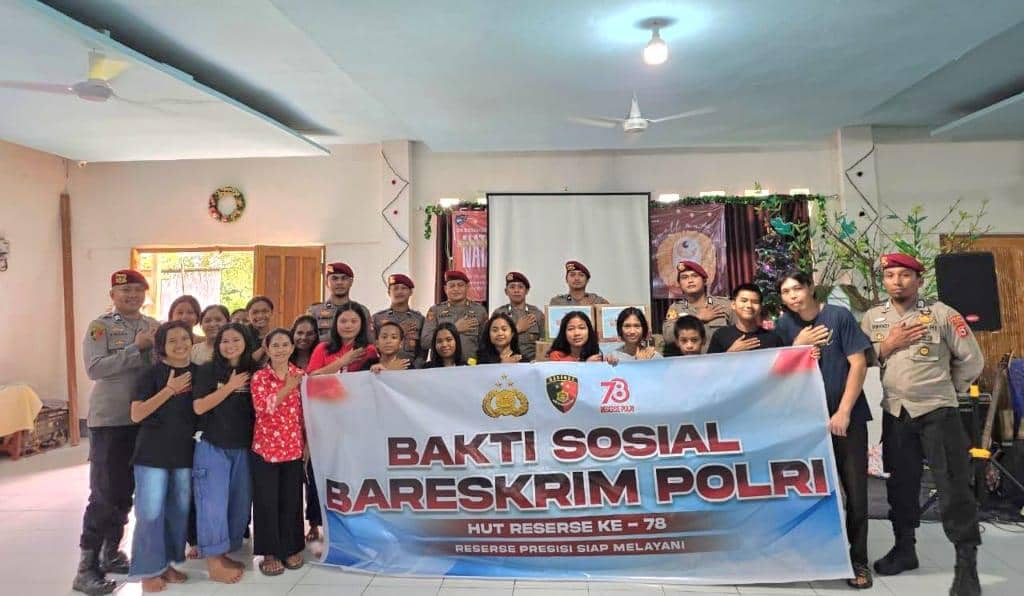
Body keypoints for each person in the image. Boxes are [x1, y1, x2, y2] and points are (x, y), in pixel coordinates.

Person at [860, 253, 984, 595]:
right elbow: (861, 358)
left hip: (938, 413)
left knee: (954, 488)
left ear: (919, 280)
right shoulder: (873, 318)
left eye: (904, 275)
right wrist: (887, 345)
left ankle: (966, 565)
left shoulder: (942, 314)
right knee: (901, 485)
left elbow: (972, 360)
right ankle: (905, 548)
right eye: (890, 275)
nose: (896, 282)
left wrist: (948, 390)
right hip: (896, 413)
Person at [775, 271, 873, 589]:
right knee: (811, 492)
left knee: (855, 492)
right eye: (785, 292)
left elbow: (858, 363)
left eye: (797, 288)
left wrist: (843, 411)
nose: (792, 296)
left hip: (846, 421)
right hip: (806, 423)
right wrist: (797, 346)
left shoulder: (838, 316)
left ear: (810, 288)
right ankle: (819, 557)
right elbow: (778, 372)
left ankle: (858, 560)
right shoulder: (784, 325)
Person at [74, 269, 159, 596]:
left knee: (125, 491)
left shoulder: (153, 326)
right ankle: (86, 568)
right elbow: (95, 368)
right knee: (104, 493)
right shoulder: (101, 327)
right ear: (113, 295)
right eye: (125, 291)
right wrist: (135, 349)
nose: (132, 296)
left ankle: (111, 552)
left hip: (143, 419)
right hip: (110, 420)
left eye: (138, 290)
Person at [127, 321, 196, 592]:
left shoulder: (199, 373)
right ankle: (148, 570)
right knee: (150, 512)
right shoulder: (150, 374)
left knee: (177, 512)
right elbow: (137, 414)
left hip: (185, 454)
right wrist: (169, 390)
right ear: (162, 347)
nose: (180, 344)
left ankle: (165, 564)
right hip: (152, 455)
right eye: (172, 340)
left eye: (184, 338)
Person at [191, 323, 258, 584]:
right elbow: (199, 407)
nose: (230, 345)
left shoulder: (255, 371)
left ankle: (223, 552)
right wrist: (229, 386)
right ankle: (213, 562)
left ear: (246, 343)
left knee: (239, 505)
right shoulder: (208, 370)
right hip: (212, 445)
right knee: (212, 504)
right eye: (225, 341)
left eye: (236, 340)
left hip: (244, 448)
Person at [250, 329, 306, 576]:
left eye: (285, 344)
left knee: (291, 501)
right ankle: (270, 552)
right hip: (266, 450)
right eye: (275, 345)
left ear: (292, 348)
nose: (281, 349)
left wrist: (307, 444)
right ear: (267, 348)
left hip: (293, 448)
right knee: (266, 502)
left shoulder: (301, 375)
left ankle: (291, 548)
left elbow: (306, 413)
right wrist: (288, 387)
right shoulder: (260, 377)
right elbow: (263, 407)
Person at [286, 314, 321, 542]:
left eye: (309, 333)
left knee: (313, 477)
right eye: (299, 332)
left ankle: (314, 524)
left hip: (316, 423)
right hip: (288, 426)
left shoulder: (322, 358)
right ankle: (291, 526)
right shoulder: (283, 359)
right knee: (292, 478)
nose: (304, 337)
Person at [662, 260, 733, 350]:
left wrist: (731, 351)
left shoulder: (724, 305)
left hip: (722, 357)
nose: (690, 281)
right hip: (690, 358)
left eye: (695, 276)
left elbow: (740, 330)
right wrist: (696, 318)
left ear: (704, 280)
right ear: (679, 284)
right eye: (684, 277)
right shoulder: (676, 308)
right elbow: (668, 338)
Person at [421, 270, 488, 361]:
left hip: (471, 365)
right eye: (452, 286)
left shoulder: (479, 311)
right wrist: (454, 329)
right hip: (442, 366)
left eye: (460, 285)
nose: (456, 289)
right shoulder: (435, 310)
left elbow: (486, 343)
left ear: (467, 287)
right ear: (445, 289)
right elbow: (425, 342)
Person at [307, 262, 374, 343]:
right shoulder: (315, 311)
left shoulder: (362, 311)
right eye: (334, 278)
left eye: (344, 278)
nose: (339, 282)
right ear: (326, 282)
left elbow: (370, 341)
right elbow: (308, 342)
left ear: (351, 282)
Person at [707, 284, 784, 354]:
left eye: (755, 302)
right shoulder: (721, 335)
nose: (749, 305)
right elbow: (711, 364)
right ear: (733, 304)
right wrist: (730, 353)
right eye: (744, 301)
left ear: (760, 307)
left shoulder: (773, 338)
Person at [307, 303, 379, 375]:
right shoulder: (322, 348)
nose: (348, 326)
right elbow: (311, 377)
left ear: (361, 324)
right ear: (336, 323)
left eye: (354, 321)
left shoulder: (369, 350)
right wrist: (341, 362)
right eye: (343, 321)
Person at [491, 272, 544, 362]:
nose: (516, 290)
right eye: (512, 287)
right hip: (505, 362)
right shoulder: (499, 313)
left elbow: (544, 343)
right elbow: (491, 342)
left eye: (520, 287)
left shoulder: (537, 314)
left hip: (531, 363)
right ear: (506, 291)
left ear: (527, 291)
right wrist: (516, 329)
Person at [371, 274, 425, 363]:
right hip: (384, 367)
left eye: (403, 288)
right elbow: (372, 347)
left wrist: (417, 367)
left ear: (411, 292)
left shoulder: (419, 319)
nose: (399, 292)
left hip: (411, 368)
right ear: (389, 293)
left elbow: (422, 351)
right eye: (395, 288)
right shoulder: (377, 318)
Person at [246, 296, 274, 361]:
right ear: (247, 316)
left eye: (265, 311)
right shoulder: (241, 335)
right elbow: (244, 362)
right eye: (255, 312)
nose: (260, 316)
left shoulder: (276, 335)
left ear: (271, 313)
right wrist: (263, 347)